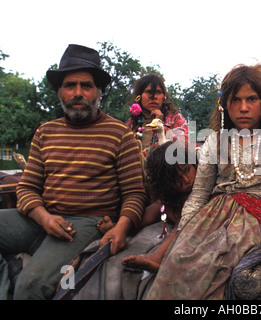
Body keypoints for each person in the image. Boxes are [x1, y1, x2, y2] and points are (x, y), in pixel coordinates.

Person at [0, 44, 147, 300]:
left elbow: (135, 193)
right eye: (70, 85)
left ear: (98, 92)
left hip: (84, 223)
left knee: (30, 286)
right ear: (59, 92)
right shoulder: (45, 131)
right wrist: (44, 217)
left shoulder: (120, 134)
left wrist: (121, 227)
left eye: (86, 86)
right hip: (42, 218)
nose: (78, 93)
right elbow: (27, 187)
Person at [145, 64, 261, 300]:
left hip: (255, 219)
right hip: (211, 218)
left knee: (217, 261)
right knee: (179, 258)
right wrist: (182, 232)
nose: (243, 108)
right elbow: (199, 194)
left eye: (251, 99)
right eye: (235, 100)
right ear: (224, 104)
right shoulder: (214, 142)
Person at [96, 140, 197, 272]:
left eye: (187, 170)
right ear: (166, 184)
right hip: (176, 208)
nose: (186, 179)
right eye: (176, 180)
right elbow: (160, 206)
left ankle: (158, 256)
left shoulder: (202, 178)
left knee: (182, 222)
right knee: (158, 207)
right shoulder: (171, 195)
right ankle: (119, 229)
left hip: (193, 214)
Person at [126, 74, 189, 157]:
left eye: (158, 92)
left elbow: (186, 145)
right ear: (139, 96)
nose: (154, 97)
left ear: (164, 97)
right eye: (149, 92)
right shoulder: (132, 123)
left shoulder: (175, 118)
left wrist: (160, 126)